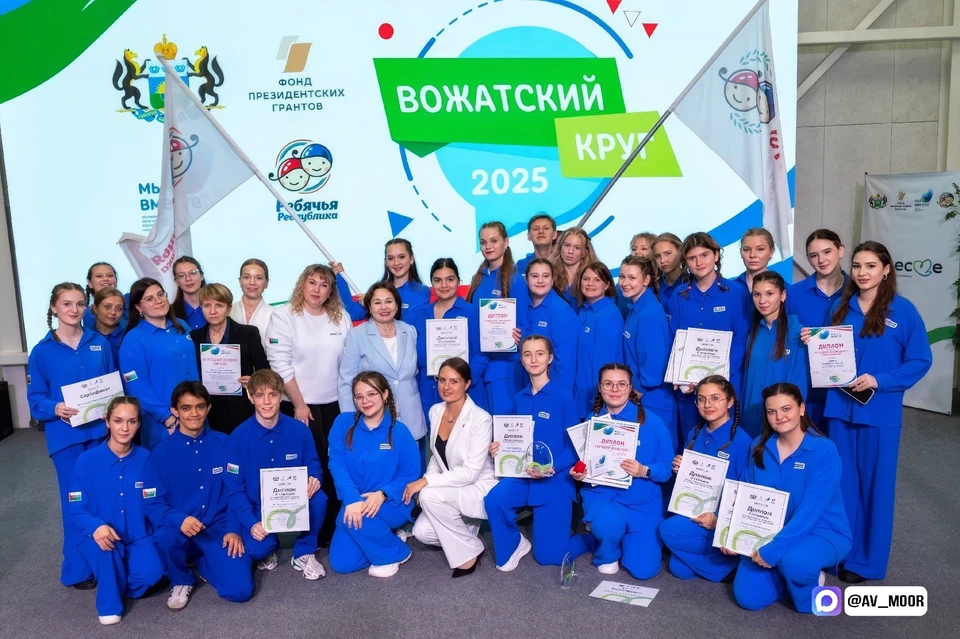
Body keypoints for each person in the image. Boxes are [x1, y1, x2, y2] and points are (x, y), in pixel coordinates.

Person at [804, 241, 932, 584]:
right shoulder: (840, 308)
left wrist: (880, 380)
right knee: (842, 484)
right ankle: (839, 552)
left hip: (880, 415)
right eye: (858, 266)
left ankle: (867, 562)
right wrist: (814, 341)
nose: (862, 273)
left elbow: (920, 360)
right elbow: (828, 353)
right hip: (840, 410)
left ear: (886, 270)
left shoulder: (903, 312)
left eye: (871, 266)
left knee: (876, 488)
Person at [730, 384, 852, 613]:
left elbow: (810, 512)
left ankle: (813, 585)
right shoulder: (759, 445)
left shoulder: (824, 450)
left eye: (786, 409)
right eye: (771, 411)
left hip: (821, 530)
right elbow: (746, 494)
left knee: (795, 564)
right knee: (748, 599)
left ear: (801, 409)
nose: (779, 417)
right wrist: (731, 534)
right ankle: (787, 575)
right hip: (770, 529)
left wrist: (772, 551)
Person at [27, 282, 117, 590]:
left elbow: (113, 384)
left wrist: (112, 410)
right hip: (66, 440)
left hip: (101, 435)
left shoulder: (99, 343)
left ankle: (109, 562)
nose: (74, 309)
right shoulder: (41, 352)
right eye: (66, 304)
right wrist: (55, 407)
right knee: (75, 502)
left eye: (79, 303)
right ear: (54, 308)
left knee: (105, 498)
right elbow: (36, 400)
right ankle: (77, 570)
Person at [144, 382, 254, 610]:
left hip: (218, 528)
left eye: (200, 407)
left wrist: (234, 528)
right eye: (186, 408)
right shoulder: (159, 452)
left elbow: (237, 489)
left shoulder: (225, 443)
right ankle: (181, 579)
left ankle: (205, 562)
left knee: (240, 591)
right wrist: (179, 520)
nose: (194, 413)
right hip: (179, 529)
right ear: (174, 411)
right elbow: (152, 503)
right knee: (163, 539)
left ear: (208, 408)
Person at [484, 336, 591, 571]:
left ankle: (590, 540)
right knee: (494, 500)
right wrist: (499, 448)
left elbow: (576, 447)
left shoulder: (564, 397)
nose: (533, 359)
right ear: (521, 360)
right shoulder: (519, 398)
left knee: (549, 556)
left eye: (539, 353)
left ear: (550, 358)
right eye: (527, 354)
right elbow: (516, 439)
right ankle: (515, 543)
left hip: (555, 479)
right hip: (524, 476)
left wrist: (552, 467)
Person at [266, 264, 351, 546]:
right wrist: (300, 404)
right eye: (312, 282)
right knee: (309, 469)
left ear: (331, 291)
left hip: (336, 406)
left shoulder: (341, 318)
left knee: (335, 466)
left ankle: (334, 530)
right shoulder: (283, 316)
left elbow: (348, 364)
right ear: (302, 284)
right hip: (300, 407)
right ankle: (307, 535)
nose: (317, 289)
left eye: (324, 284)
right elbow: (279, 364)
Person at [67, 396, 164, 625]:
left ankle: (114, 577)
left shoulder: (148, 459)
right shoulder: (85, 461)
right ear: (107, 422)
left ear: (138, 424)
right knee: (105, 548)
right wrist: (95, 526)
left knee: (153, 574)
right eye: (118, 421)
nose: (125, 428)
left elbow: (157, 504)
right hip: (100, 536)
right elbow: (75, 510)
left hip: (139, 537)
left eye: (132, 421)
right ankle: (109, 604)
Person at [224, 370, 328, 580]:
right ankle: (269, 547)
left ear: (281, 396)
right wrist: (251, 522)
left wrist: (314, 478)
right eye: (260, 395)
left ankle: (304, 551)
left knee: (319, 499)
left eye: (272, 394)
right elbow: (234, 488)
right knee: (257, 549)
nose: (266, 402)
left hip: (293, 500)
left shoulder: (300, 430)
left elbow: (313, 463)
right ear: (250, 397)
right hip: (257, 507)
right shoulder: (237, 437)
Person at [570, 363, 673, 578]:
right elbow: (584, 463)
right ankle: (605, 546)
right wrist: (579, 472)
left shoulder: (654, 423)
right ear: (600, 387)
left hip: (643, 503)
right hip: (604, 497)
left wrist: (645, 470)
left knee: (644, 571)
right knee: (608, 528)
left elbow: (666, 469)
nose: (615, 389)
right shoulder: (592, 421)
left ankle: (608, 539)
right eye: (608, 384)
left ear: (630, 387)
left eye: (621, 384)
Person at [405, 358, 497, 577]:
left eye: (454, 381)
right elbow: (436, 458)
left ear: (467, 384)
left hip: (476, 486)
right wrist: (428, 479)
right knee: (422, 532)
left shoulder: (481, 419)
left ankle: (468, 556)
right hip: (451, 488)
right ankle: (471, 539)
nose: (446, 387)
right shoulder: (435, 411)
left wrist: (426, 482)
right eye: (442, 380)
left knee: (428, 496)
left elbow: (471, 472)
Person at [659, 375, 751, 582]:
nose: (708, 404)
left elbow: (744, 490)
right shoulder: (694, 433)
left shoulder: (743, 441)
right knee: (679, 570)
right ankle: (724, 566)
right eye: (701, 399)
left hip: (720, 518)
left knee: (667, 530)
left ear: (730, 402)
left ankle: (732, 559)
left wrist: (718, 518)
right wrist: (681, 469)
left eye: (715, 398)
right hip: (694, 510)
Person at [327, 372, 419, 577]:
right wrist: (352, 499)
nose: (365, 401)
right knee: (342, 564)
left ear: (385, 394)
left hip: (392, 502)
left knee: (350, 519)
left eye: (371, 394)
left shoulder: (400, 432)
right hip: (354, 502)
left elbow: (410, 475)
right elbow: (337, 465)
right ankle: (385, 537)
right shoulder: (343, 423)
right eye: (359, 397)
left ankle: (398, 553)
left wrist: (383, 494)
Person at [668, 232, 750, 445]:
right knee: (691, 443)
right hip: (689, 387)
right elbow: (675, 339)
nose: (699, 262)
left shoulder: (736, 292)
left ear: (716, 255)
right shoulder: (679, 295)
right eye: (692, 258)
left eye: (704, 255)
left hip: (725, 385)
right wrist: (680, 376)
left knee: (725, 445)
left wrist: (717, 380)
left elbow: (741, 340)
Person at [338, 282, 426, 455]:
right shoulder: (357, 335)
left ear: (397, 305)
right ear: (369, 307)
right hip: (372, 418)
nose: (384, 307)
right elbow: (346, 380)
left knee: (410, 467)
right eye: (377, 302)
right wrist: (351, 421)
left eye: (389, 301)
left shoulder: (410, 331)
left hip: (410, 417)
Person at [120, 278, 198, 450]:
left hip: (196, 413)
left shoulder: (182, 326)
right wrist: (167, 418)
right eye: (149, 299)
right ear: (138, 307)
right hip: (164, 423)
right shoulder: (133, 340)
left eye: (160, 294)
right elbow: (136, 385)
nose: (158, 301)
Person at [408, 258, 487, 418]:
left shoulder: (472, 312)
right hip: (429, 390)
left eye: (450, 279)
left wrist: (463, 380)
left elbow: (482, 353)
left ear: (458, 281)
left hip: (465, 390)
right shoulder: (420, 315)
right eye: (438, 280)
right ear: (431, 283)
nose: (444, 285)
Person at [465, 221, 529, 414]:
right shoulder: (479, 278)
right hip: (477, 367)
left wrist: (517, 336)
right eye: (483, 242)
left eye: (494, 241)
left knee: (502, 425)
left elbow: (523, 324)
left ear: (505, 242)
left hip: (504, 368)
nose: (488, 246)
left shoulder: (515, 280)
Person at [787, 229, 847, 429]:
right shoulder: (794, 293)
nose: (821, 260)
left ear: (841, 250)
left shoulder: (857, 292)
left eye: (827, 252)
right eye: (814, 255)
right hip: (806, 388)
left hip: (844, 390)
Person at [191, 283, 270, 435]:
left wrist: (254, 380)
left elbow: (265, 371)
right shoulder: (195, 337)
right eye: (207, 306)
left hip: (242, 408)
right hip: (207, 409)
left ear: (229, 308)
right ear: (201, 308)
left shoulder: (248, 333)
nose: (213, 311)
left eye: (219, 305)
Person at [619, 256, 678, 450]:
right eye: (622, 277)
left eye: (632, 278)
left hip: (652, 401)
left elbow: (654, 365)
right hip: (642, 397)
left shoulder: (649, 314)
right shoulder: (636, 308)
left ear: (646, 280)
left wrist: (636, 392)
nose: (625, 283)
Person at [741, 272, 807, 438]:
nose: (762, 301)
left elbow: (800, 383)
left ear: (782, 295)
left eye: (769, 294)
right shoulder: (753, 333)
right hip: (751, 416)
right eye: (757, 294)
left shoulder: (797, 333)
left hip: (781, 420)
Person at [334, 238, 431, 321]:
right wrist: (340, 277)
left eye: (401, 257)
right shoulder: (378, 290)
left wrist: (375, 306)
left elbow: (412, 323)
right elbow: (351, 313)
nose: (396, 263)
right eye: (391, 258)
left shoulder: (421, 291)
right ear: (386, 262)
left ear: (411, 259)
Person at [574, 262, 624, 417]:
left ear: (607, 285)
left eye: (597, 280)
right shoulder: (584, 310)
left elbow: (604, 364)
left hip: (595, 400)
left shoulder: (608, 315)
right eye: (586, 279)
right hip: (581, 394)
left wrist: (598, 401)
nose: (590, 283)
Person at [525, 258, 578, 388]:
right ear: (526, 280)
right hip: (529, 385)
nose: (540, 281)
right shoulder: (523, 307)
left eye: (546, 276)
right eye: (534, 276)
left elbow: (566, 362)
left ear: (553, 279)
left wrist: (559, 393)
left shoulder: (562, 312)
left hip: (552, 387)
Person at [229, 258, 275, 353]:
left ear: (266, 283)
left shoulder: (276, 315)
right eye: (246, 277)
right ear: (240, 281)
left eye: (258, 278)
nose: (252, 282)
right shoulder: (227, 312)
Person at [550, 227, 598, 308]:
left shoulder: (595, 276)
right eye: (567, 245)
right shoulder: (548, 273)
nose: (570, 251)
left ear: (585, 252)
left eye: (577, 248)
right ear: (560, 247)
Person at [82, 262, 129, 329]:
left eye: (110, 275)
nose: (105, 279)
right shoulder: (88, 313)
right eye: (99, 276)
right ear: (90, 283)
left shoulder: (130, 300)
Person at [89, 287, 126, 362]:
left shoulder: (128, 337)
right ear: (95, 308)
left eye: (119, 308)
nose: (113, 312)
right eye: (107, 307)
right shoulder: (86, 337)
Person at [737, 227, 776, 297]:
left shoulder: (784, 288)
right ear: (740, 252)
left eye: (760, 249)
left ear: (771, 252)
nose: (752, 255)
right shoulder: (729, 288)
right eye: (746, 250)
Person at [653, 232, 686, 315]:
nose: (662, 260)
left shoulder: (693, 284)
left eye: (667, 254)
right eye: (657, 256)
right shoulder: (653, 287)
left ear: (680, 253)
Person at [171, 256, 207, 330]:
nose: (188, 279)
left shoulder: (218, 308)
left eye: (192, 273)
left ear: (201, 276)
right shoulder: (170, 313)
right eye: (181, 276)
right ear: (176, 281)